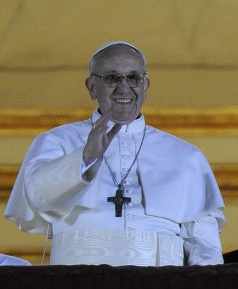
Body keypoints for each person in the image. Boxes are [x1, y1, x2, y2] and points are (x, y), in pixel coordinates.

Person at [4, 41, 226, 266]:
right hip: (75, 279)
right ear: (91, 87)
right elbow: (37, 195)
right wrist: (84, 159)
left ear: (146, 86)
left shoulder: (186, 156)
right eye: (112, 78)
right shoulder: (56, 141)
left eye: (134, 78)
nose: (124, 88)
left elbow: (203, 243)